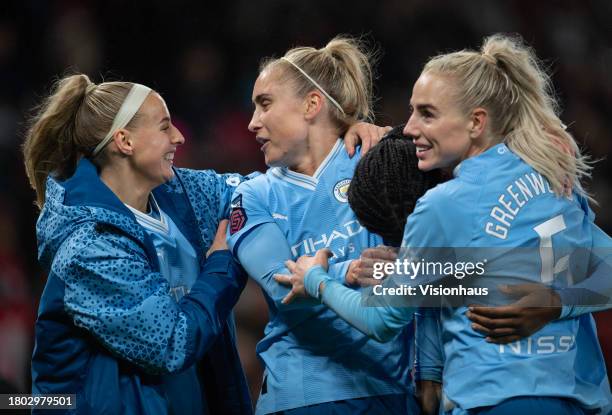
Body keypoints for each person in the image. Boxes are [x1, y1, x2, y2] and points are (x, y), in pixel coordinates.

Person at [276, 34, 612, 414]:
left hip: (496, 401)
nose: (409, 127)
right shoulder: (555, 176)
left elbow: (381, 318)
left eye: (427, 113)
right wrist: (556, 303)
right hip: (581, 400)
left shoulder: (442, 204)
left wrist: (317, 280)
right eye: (412, 111)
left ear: (476, 122)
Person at [23, 74, 255, 414]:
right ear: (125, 141)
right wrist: (223, 264)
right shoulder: (89, 246)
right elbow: (171, 342)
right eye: (164, 127)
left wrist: (346, 146)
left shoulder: (181, 196)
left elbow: (261, 195)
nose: (179, 136)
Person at [227, 36, 419, 414]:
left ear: (311, 104)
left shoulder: (378, 160)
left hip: (393, 388)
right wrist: (355, 271)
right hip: (304, 393)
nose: (253, 122)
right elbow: (284, 284)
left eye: (265, 104)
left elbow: (430, 261)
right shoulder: (254, 195)